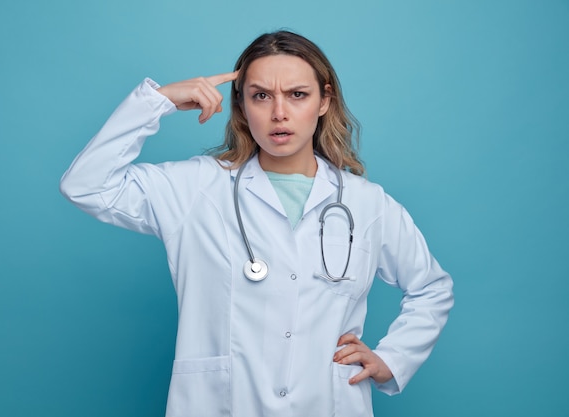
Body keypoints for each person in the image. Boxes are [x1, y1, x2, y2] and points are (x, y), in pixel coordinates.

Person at [60, 30, 454, 417]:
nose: (279, 113)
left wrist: (393, 360)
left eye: (297, 95)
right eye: (261, 96)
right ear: (241, 105)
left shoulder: (367, 204)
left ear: (324, 100)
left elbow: (431, 288)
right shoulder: (196, 188)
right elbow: (86, 185)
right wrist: (157, 102)